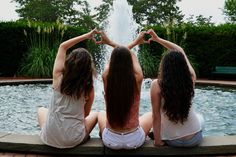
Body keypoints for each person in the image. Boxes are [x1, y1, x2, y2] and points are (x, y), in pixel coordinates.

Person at [37, 29, 98, 148]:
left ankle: (52, 129)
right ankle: (82, 136)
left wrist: (86, 35)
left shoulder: (58, 77)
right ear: (88, 68)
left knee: (41, 110)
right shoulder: (88, 88)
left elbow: (63, 46)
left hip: (49, 138)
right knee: (95, 114)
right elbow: (84, 114)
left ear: (69, 61)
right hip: (73, 140)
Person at [96, 31, 152, 150]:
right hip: (134, 140)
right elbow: (125, 54)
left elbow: (118, 57)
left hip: (110, 141)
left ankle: (103, 134)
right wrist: (136, 42)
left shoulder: (106, 76)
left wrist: (110, 43)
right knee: (151, 115)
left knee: (100, 113)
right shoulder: (138, 78)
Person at [148, 29, 204, 147]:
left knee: (160, 119)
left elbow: (156, 116)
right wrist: (158, 39)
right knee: (200, 118)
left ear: (164, 67)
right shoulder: (191, 78)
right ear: (183, 66)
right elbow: (180, 51)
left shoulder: (156, 85)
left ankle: (157, 134)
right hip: (195, 139)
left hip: (173, 141)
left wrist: (157, 141)